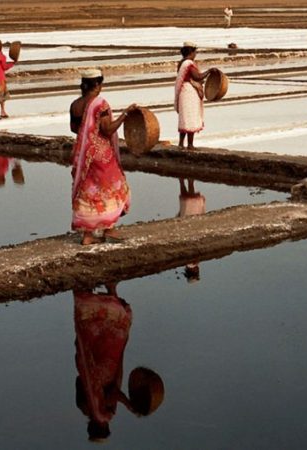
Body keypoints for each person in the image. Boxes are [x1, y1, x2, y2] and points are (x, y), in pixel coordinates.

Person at [74, 284, 164, 442]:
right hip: (100, 367)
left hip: (105, 369)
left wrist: (129, 405)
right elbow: (80, 381)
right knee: (97, 335)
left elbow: (112, 393)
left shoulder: (103, 412)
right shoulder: (90, 408)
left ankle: (110, 290)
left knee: (110, 335)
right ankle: (94, 289)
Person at [69, 69, 135, 245]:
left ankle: (88, 235)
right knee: (112, 187)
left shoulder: (75, 104)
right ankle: (109, 228)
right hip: (100, 154)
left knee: (88, 189)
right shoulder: (100, 104)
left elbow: (74, 129)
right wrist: (125, 114)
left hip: (84, 152)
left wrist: (88, 135)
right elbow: (108, 129)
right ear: (97, 85)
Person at [174, 42, 209, 150]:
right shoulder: (189, 63)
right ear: (191, 52)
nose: (196, 54)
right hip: (189, 92)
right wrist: (209, 71)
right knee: (190, 118)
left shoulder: (182, 63)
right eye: (195, 52)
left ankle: (181, 144)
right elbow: (197, 76)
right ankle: (190, 144)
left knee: (184, 118)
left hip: (184, 92)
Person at [177, 178, 206, 283]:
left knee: (191, 201)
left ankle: (189, 181)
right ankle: (182, 180)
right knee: (185, 200)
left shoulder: (195, 261)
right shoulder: (187, 261)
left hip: (191, 220)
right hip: (186, 221)